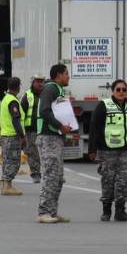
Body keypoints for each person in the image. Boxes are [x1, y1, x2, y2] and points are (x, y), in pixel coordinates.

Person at [90, 79, 127, 222]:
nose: (121, 92)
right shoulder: (103, 106)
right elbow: (94, 128)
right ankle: (106, 210)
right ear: (113, 91)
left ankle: (120, 211)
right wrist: (92, 149)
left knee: (123, 181)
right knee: (108, 181)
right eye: (118, 89)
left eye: (124, 90)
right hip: (107, 151)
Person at [35, 63, 72, 224]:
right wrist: (60, 126)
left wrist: (66, 125)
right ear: (58, 75)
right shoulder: (51, 88)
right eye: (66, 73)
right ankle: (43, 212)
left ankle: (52, 211)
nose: (68, 76)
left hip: (55, 138)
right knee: (51, 175)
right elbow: (44, 111)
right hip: (48, 137)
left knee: (58, 178)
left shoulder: (58, 90)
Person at [0, 76, 26, 196]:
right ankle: (7, 186)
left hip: (5, 135)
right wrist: (22, 135)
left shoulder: (5, 99)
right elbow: (16, 120)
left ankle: (6, 185)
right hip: (12, 135)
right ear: (18, 87)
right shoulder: (12, 101)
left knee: (7, 160)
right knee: (13, 161)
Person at [20, 74, 45, 183]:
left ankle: (49, 174)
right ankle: (35, 174)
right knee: (33, 153)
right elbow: (21, 114)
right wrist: (23, 132)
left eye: (41, 81)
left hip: (44, 129)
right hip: (31, 130)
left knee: (45, 153)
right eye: (37, 81)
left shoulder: (46, 94)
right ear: (33, 83)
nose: (40, 83)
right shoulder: (27, 96)